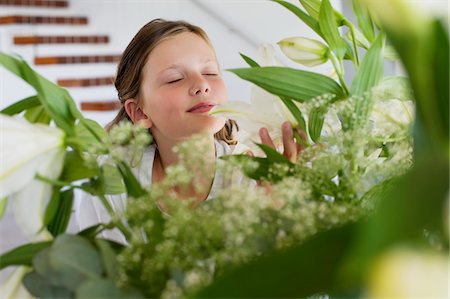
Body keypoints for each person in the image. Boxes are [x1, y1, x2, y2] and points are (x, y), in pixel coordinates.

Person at [76, 19, 302, 242]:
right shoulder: (114, 180)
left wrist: (276, 215)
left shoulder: (255, 174)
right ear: (140, 113)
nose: (202, 84)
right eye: (175, 79)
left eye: (211, 72)